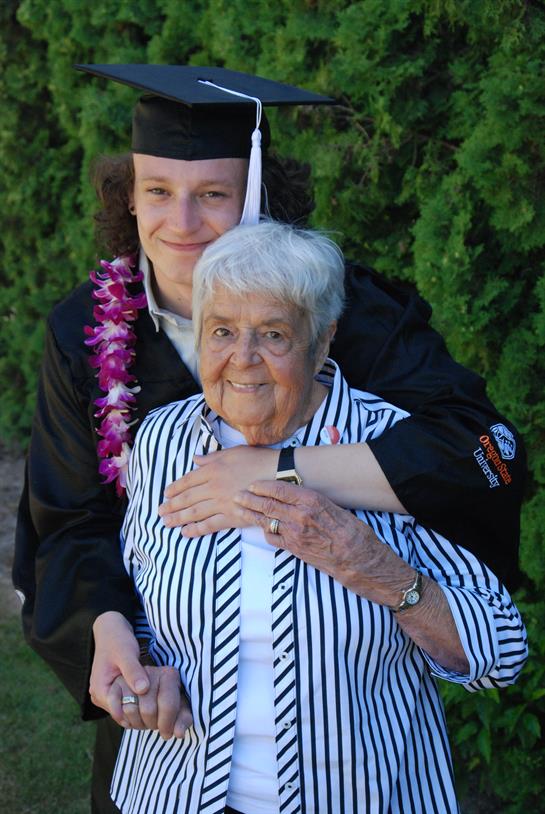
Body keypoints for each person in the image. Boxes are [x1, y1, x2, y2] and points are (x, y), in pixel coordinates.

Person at [11, 65, 525, 812]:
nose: (180, 222)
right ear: (129, 197)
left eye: (213, 194)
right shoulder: (86, 332)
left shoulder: (350, 309)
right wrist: (108, 636)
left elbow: (476, 452)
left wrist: (276, 469)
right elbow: (70, 518)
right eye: (158, 191)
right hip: (169, 748)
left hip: (352, 771)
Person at [108, 220, 526, 814]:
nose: (243, 360)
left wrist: (373, 568)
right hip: (177, 791)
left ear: (323, 339)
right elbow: (139, 596)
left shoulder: (392, 445)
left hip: (362, 797)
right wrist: (140, 669)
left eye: (273, 334)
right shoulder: (161, 442)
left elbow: (500, 653)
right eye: (222, 330)